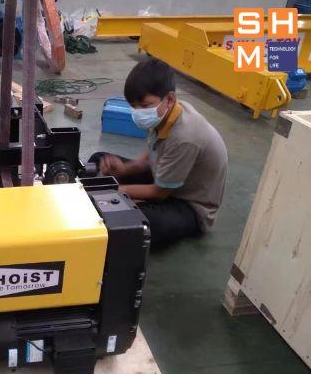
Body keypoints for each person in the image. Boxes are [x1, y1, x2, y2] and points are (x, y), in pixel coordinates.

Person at [90, 58, 228, 249]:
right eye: (134, 106)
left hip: (188, 204)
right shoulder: (166, 113)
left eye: (144, 106)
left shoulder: (185, 136)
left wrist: (117, 191)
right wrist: (123, 169)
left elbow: (160, 192)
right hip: (168, 179)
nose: (138, 113)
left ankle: (108, 204)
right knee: (99, 161)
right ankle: (98, 198)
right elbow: (150, 157)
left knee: (135, 223)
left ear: (169, 99)